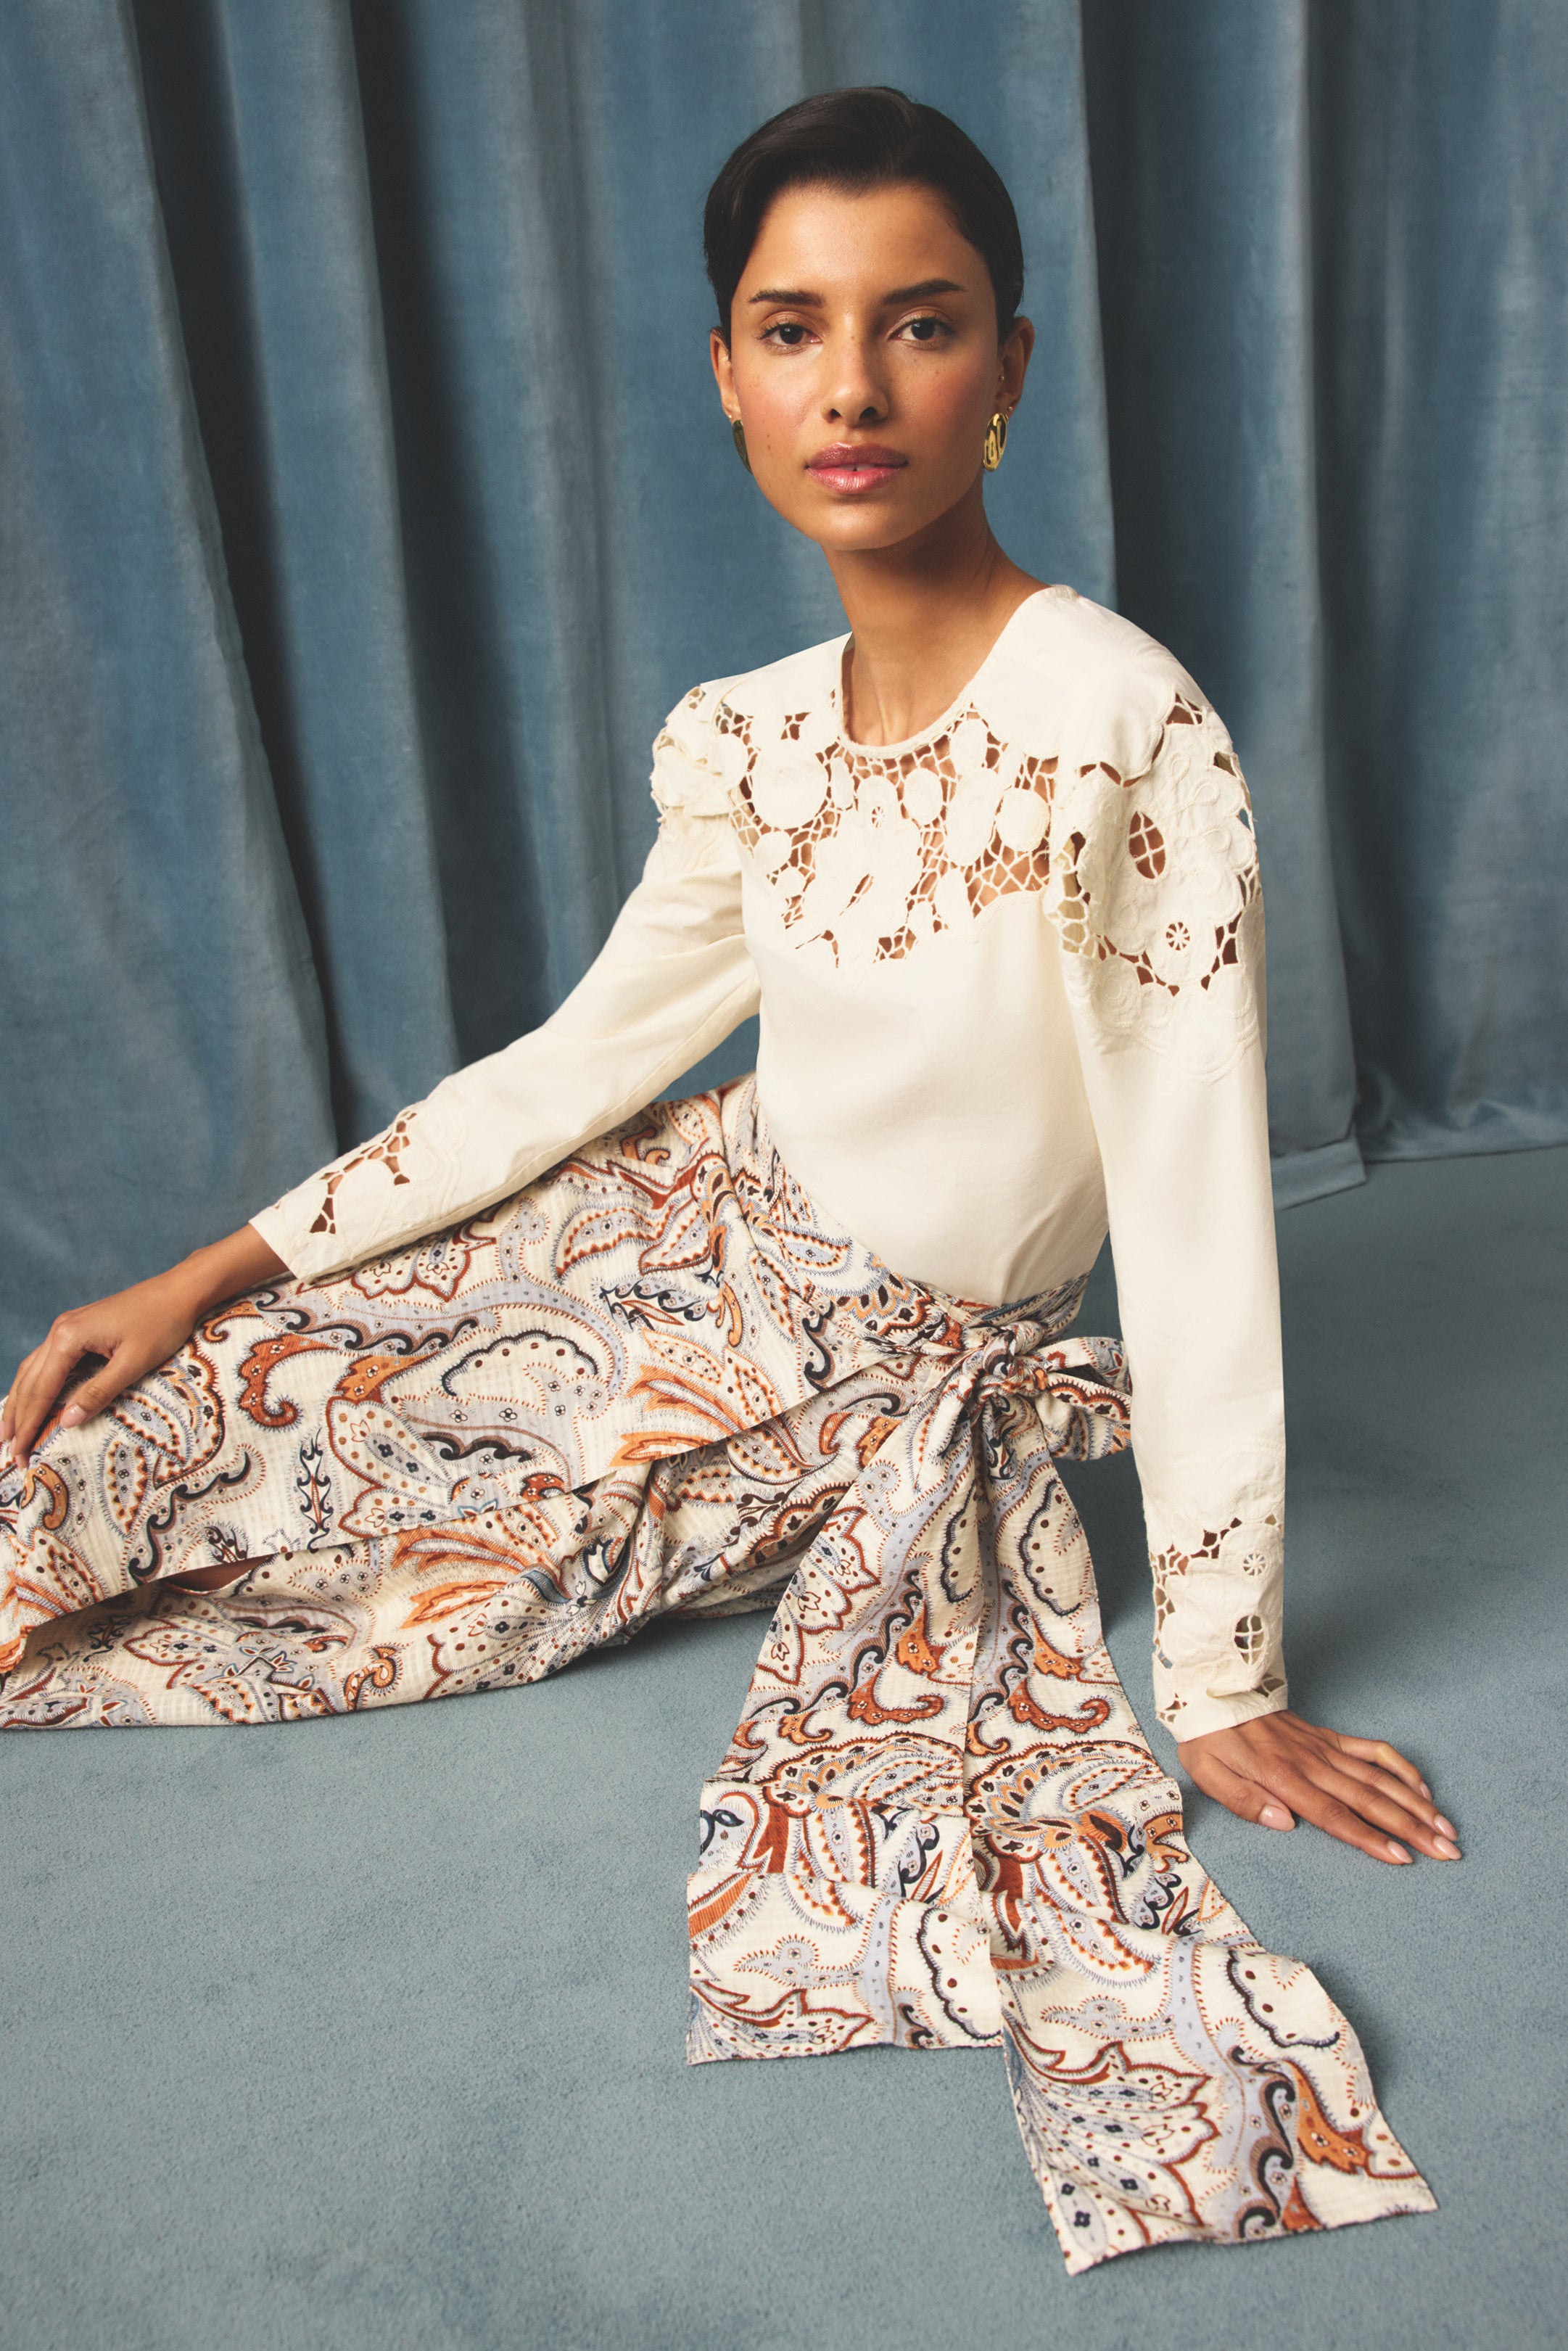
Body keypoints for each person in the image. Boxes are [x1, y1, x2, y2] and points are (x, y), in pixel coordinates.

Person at [0, 88, 1445, 2268]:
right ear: (727, 375)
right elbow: (579, 1064)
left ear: (1007, 366)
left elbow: (1188, 1202)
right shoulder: (748, 734)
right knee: (152, 1425)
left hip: (855, 1388)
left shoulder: (1121, 727)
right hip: (664, 1229)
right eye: (792, 328)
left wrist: (1223, 1670)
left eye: (917, 324)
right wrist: (212, 1269)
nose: (850, 387)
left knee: (355, 1588)